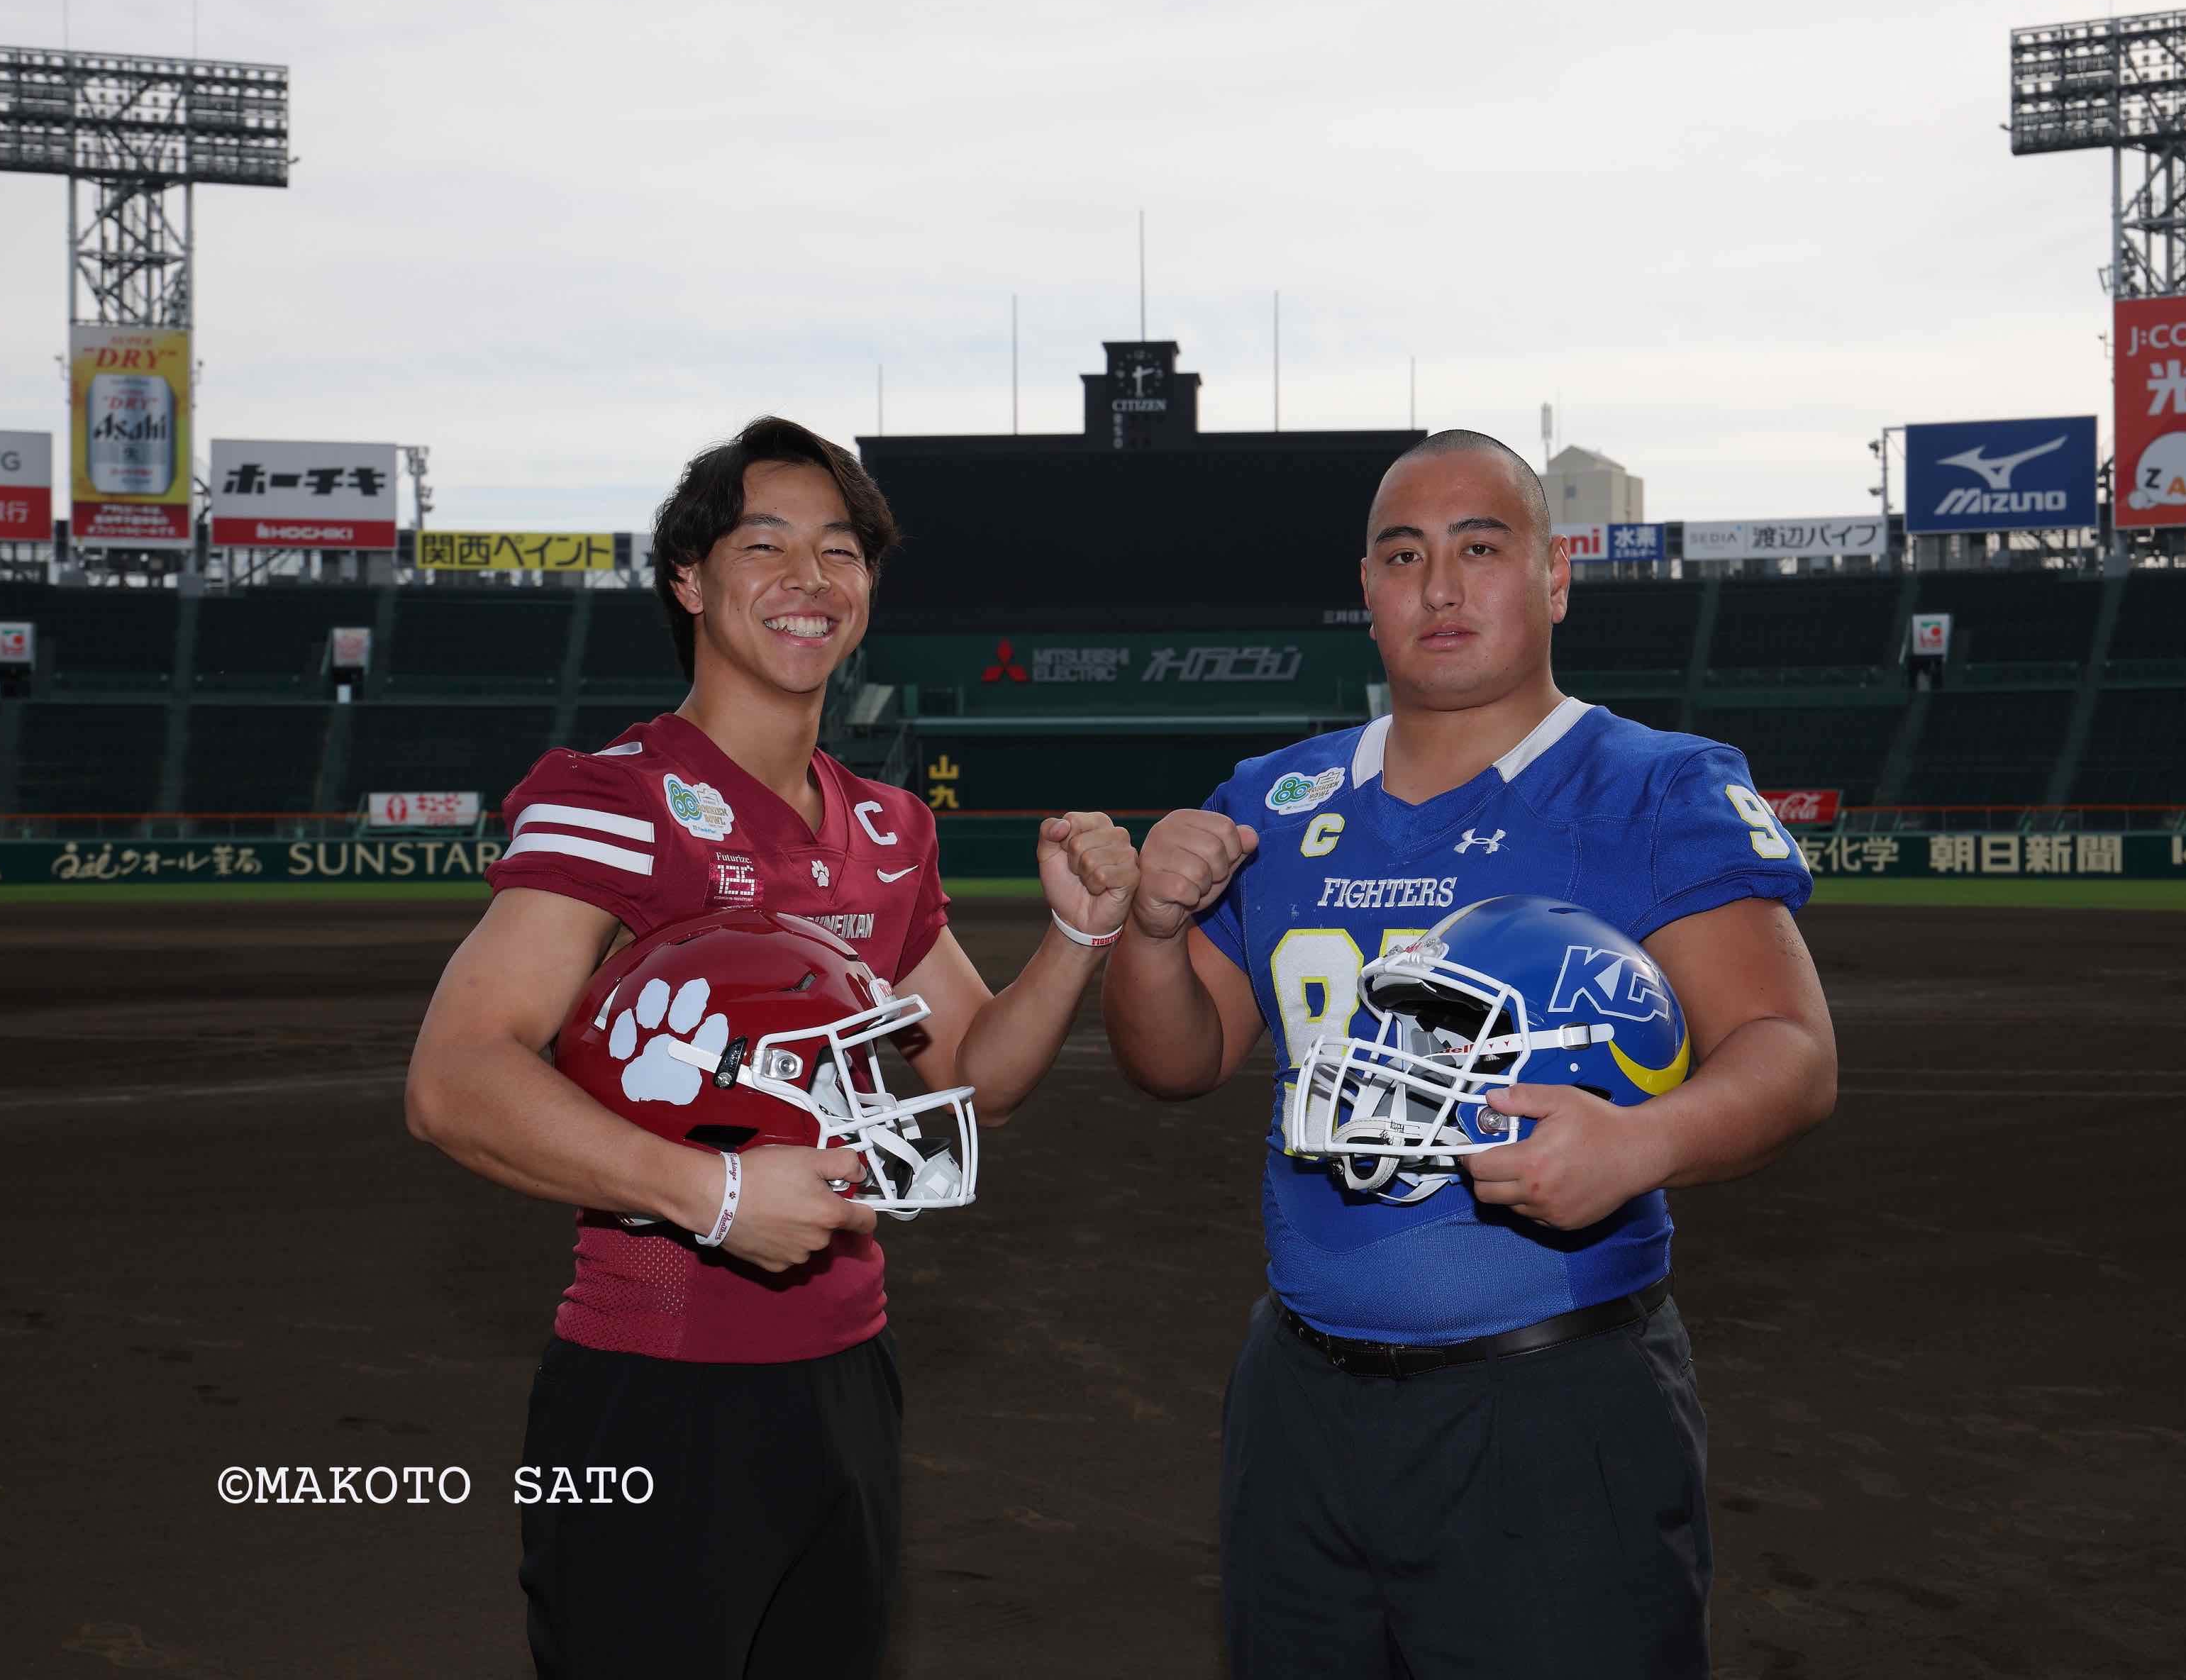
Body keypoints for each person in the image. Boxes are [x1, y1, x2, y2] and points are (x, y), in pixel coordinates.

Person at [405, 416, 1135, 1679]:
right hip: (654, 1387)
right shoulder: (619, 799)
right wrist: (718, 1193)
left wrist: (1077, 937)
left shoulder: (886, 827)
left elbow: (973, 1082)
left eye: (842, 552)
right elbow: (454, 1074)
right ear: (688, 580)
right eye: (768, 545)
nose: (813, 580)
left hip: (849, 1375)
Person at [1102, 429, 1838, 1677]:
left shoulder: (1649, 784)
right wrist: (1153, 930)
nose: (1440, 588)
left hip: (1552, 1403)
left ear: (1554, 581)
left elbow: (1791, 1049)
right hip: (1299, 1406)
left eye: (1480, 548)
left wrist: (1640, 1143)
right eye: (1405, 556)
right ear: (1369, 592)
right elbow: (1178, 1062)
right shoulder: (1271, 800)